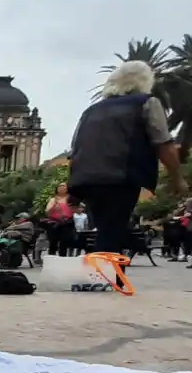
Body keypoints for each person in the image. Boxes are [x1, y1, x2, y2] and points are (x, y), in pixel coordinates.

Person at [69, 60, 187, 256]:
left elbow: (76, 150)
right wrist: (177, 179)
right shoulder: (147, 102)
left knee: (105, 227)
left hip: (87, 177)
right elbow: (163, 143)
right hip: (120, 175)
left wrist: (73, 184)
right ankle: (106, 276)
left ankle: (106, 274)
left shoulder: (91, 111)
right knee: (112, 229)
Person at [44, 183, 75, 257]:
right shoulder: (53, 200)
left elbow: (78, 209)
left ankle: (62, 259)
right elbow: (47, 212)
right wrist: (54, 207)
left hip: (67, 223)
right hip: (55, 223)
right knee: (53, 242)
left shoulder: (71, 199)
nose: (61, 187)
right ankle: (51, 258)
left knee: (64, 242)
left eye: (63, 186)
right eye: (60, 186)